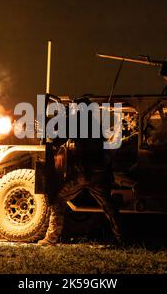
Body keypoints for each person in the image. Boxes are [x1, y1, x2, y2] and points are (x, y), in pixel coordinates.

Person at [38, 97, 123, 246]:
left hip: (83, 173)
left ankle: (51, 238)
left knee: (58, 200)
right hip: (99, 172)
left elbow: (57, 140)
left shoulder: (75, 121)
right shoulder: (96, 123)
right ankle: (122, 238)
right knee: (109, 206)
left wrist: (47, 128)